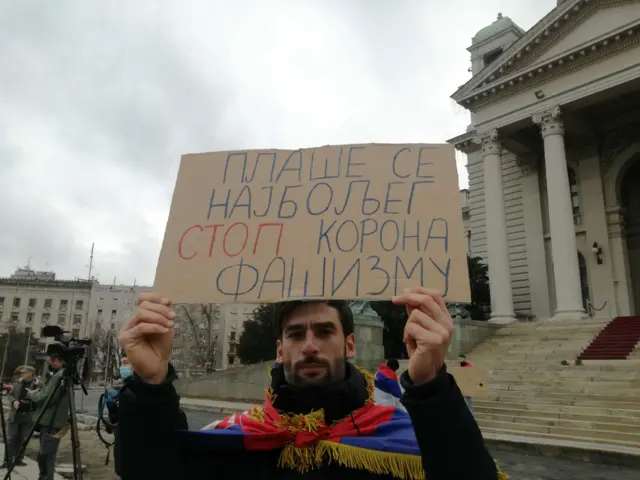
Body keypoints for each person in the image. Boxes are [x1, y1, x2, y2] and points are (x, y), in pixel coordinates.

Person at [118, 288, 505, 479]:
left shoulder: (406, 438)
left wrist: (431, 386)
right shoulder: (234, 437)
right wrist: (150, 385)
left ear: (350, 344)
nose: (309, 347)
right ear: (280, 350)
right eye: (295, 335)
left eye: (324, 331)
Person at [27, 354, 69, 480]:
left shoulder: (59, 376)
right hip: (52, 421)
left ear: (56, 361)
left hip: (51, 421)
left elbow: (46, 398)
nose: (48, 364)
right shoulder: (62, 375)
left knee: (47, 455)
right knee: (45, 454)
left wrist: (31, 395)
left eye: (49, 362)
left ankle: (46, 477)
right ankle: (44, 476)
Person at [2, 366, 39, 468]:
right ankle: (7, 461)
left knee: (23, 439)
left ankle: (19, 459)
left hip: (28, 416)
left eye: (24, 372)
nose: (22, 374)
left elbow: (41, 398)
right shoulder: (17, 382)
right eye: (21, 372)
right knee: (11, 438)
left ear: (31, 373)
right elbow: (10, 394)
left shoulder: (38, 384)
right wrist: (14, 401)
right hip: (15, 415)